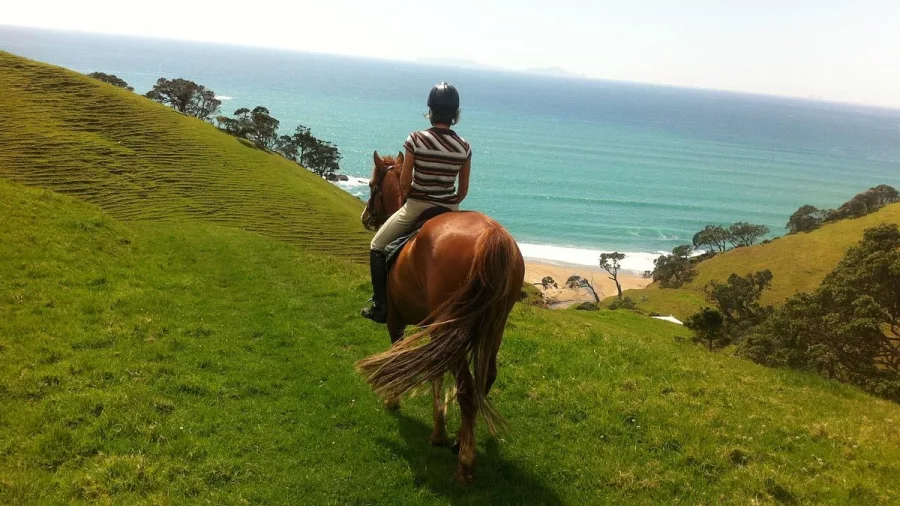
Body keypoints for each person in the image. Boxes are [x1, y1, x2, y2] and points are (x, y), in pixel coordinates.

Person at [362, 82, 472, 323]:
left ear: (430, 112)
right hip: (449, 211)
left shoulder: (415, 139)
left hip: (418, 206)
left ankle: (380, 305)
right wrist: (450, 201)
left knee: (377, 245)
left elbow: (404, 183)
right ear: (455, 114)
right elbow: (463, 190)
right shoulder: (464, 146)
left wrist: (416, 194)